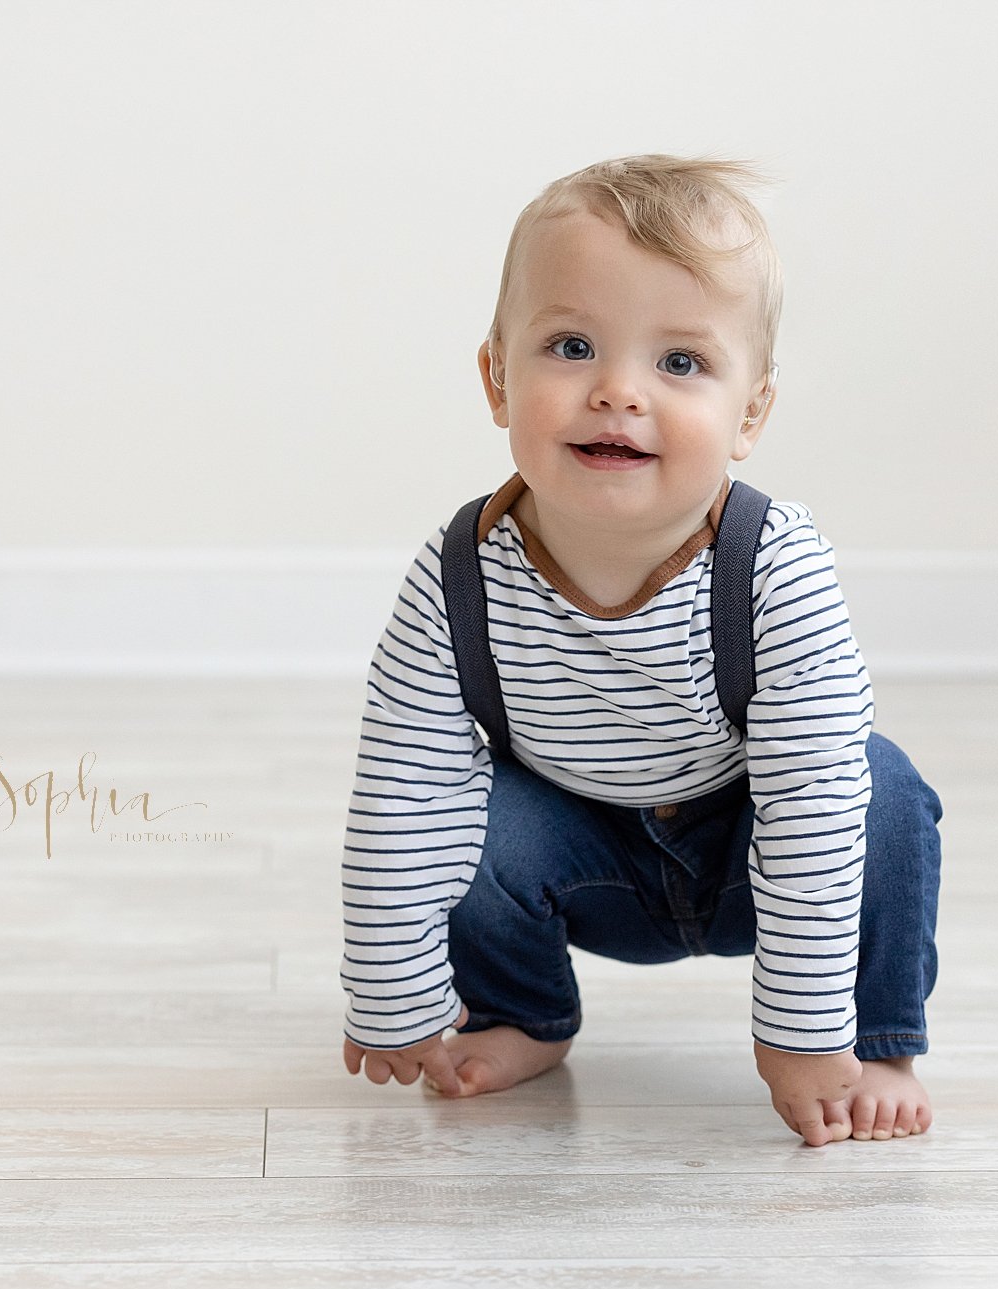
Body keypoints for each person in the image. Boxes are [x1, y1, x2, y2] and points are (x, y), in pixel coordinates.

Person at [338, 154, 944, 1147]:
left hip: (754, 849)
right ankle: (522, 1009)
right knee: (463, 807)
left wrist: (796, 1035)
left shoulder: (773, 570)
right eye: (571, 345)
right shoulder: (456, 577)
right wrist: (391, 983)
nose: (617, 391)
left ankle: (873, 1037)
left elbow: (809, 801)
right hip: (584, 863)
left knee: (879, 790)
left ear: (748, 414)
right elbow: (402, 787)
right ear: (496, 377)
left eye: (679, 363)